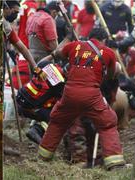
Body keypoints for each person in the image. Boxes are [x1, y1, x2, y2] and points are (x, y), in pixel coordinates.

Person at [38, 28, 126, 170]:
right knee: (107, 123)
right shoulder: (108, 52)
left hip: (69, 93)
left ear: (90, 37)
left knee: (57, 121)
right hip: (91, 95)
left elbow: (58, 54)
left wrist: (57, 55)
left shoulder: (75, 45)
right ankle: (114, 162)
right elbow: (111, 75)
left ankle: (44, 157)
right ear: (104, 40)